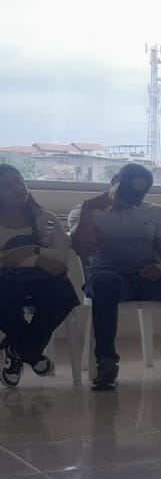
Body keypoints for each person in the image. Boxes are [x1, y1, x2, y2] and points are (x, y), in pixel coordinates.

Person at [67, 163, 161, 390]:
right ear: (114, 181)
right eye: (125, 195)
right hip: (107, 278)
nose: (129, 202)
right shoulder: (85, 211)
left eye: (136, 198)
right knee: (106, 282)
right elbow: (82, 249)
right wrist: (88, 210)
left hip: (147, 278)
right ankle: (106, 362)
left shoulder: (155, 212)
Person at [0, 165, 78, 388]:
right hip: (5, 283)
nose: (17, 188)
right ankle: (31, 353)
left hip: (42, 282)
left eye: (19, 181)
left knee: (62, 294)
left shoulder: (48, 219)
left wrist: (31, 251)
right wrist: (39, 258)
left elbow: (61, 259)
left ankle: (17, 350)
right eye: (7, 186)